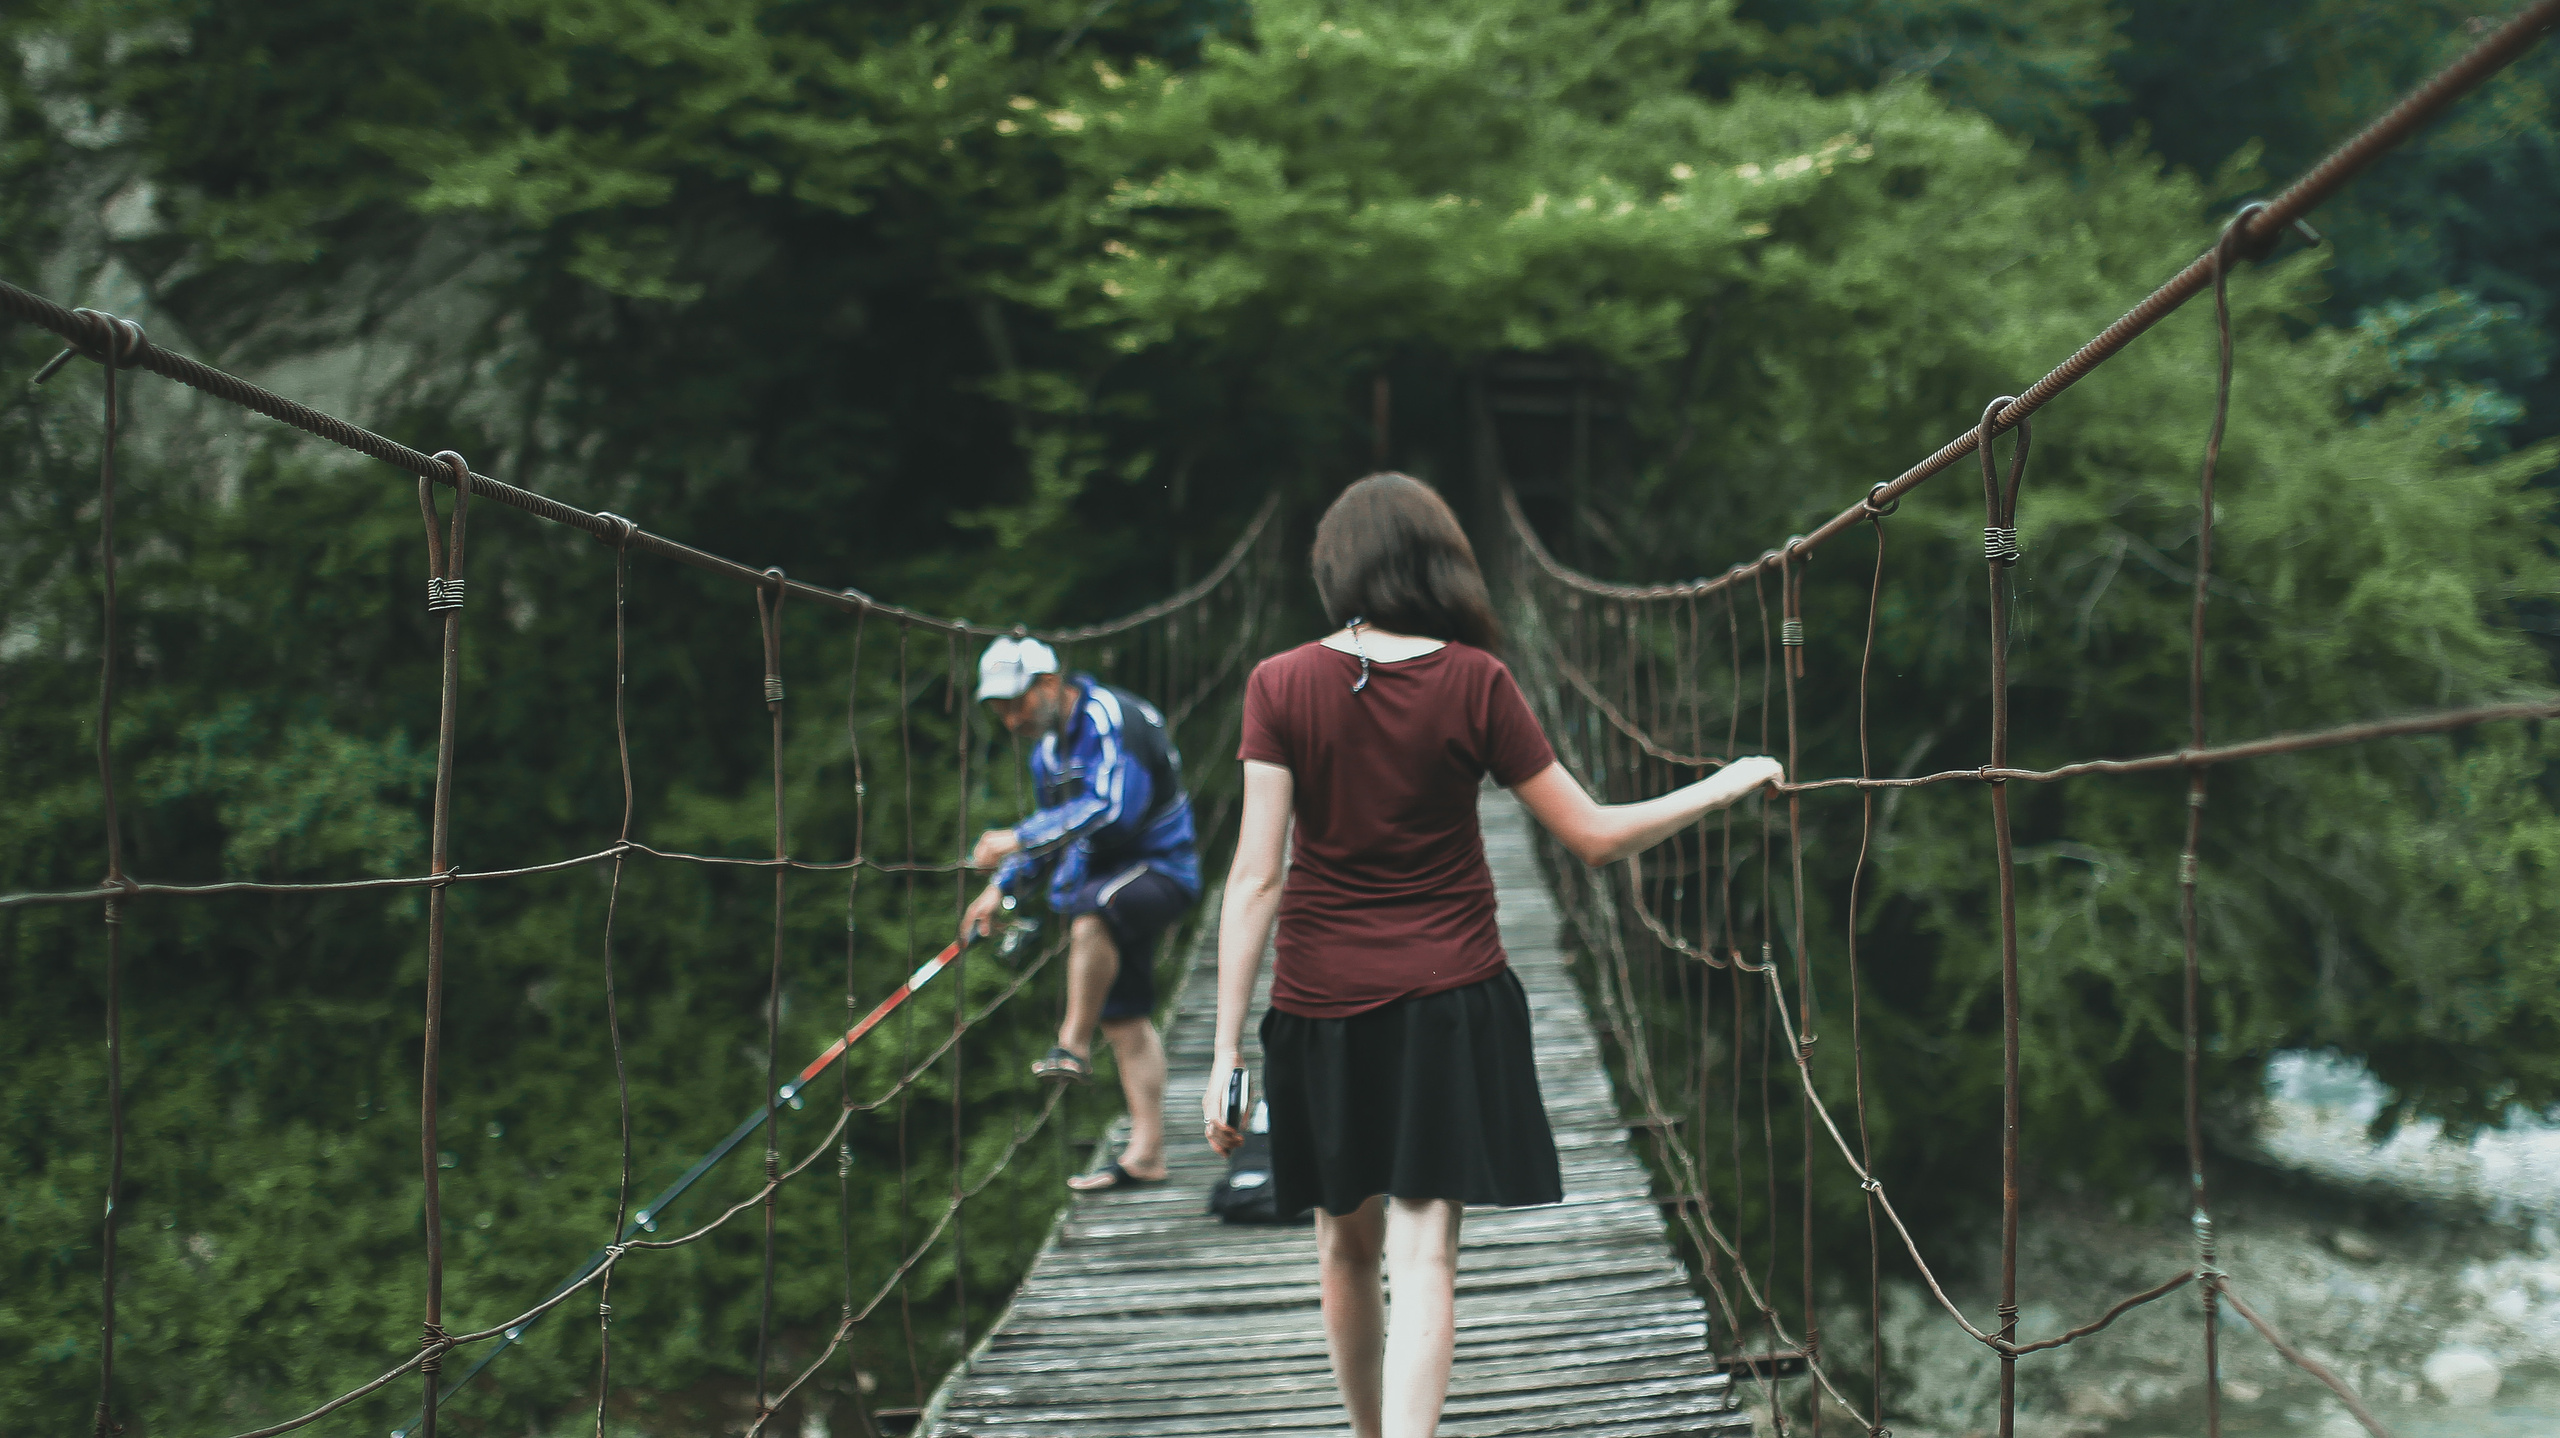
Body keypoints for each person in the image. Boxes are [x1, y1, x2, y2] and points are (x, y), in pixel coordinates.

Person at [1201, 474, 1783, 1438]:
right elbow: (1591, 837)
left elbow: (1255, 877)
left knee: (1344, 1248)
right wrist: (1719, 787)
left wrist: (1225, 1054)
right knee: (1424, 1256)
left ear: (1336, 565)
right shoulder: (1476, 681)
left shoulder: (1280, 682)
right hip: (1448, 998)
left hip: (1317, 1007)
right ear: (1440, 560)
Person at [963, 634, 1201, 1193]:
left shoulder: (1109, 718)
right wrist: (1003, 887)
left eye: (1016, 703)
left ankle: (1070, 1044)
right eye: (998, 711)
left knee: (1091, 912)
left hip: (1162, 870)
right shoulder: (1048, 753)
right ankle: (1147, 1155)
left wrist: (1016, 837)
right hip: (1114, 884)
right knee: (1123, 1016)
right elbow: (1053, 839)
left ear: (1049, 683)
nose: (1010, 720)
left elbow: (1113, 810)